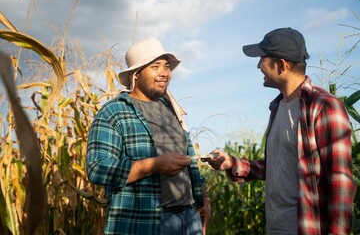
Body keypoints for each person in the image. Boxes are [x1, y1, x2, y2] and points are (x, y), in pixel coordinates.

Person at [204, 28, 356, 234]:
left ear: (281, 65)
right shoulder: (278, 107)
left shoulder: (324, 107)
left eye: (262, 59)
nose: (258, 65)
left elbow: (341, 183)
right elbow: (278, 168)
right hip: (276, 228)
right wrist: (232, 163)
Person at [86, 38, 211, 235]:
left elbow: (189, 161)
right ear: (136, 74)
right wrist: (154, 165)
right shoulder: (114, 112)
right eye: (155, 66)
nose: (165, 73)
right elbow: (97, 169)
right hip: (148, 221)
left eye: (167, 67)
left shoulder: (171, 109)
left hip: (189, 217)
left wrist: (204, 200)